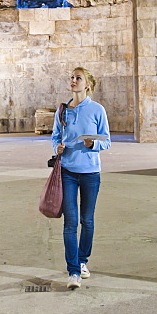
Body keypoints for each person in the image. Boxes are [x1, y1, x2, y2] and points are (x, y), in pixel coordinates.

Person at [52, 66, 111, 289]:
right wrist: (56, 146)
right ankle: (73, 271)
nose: (73, 81)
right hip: (67, 171)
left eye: (78, 78)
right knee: (70, 223)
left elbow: (106, 140)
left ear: (87, 84)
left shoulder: (97, 110)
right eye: (72, 77)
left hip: (90, 173)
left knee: (87, 221)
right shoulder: (63, 110)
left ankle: (83, 260)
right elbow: (55, 135)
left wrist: (93, 143)